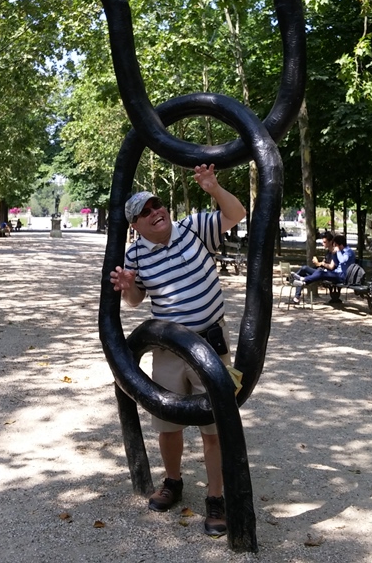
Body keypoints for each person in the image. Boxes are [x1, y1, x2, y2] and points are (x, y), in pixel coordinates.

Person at [109, 163, 246, 538]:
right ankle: (173, 481)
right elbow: (136, 300)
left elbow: (236, 213)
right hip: (169, 349)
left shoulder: (194, 228)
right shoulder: (137, 255)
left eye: (157, 205)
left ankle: (216, 498)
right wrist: (128, 286)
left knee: (214, 426)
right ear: (135, 225)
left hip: (210, 345)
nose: (156, 212)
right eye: (145, 212)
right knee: (168, 422)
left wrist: (214, 188)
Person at [293, 234, 355, 306]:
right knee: (315, 270)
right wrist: (334, 254)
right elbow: (337, 262)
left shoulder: (348, 252)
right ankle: (302, 281)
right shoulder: (340, 251)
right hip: (336, 273)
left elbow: (342, 261)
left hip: (343, 276)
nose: (334, 246)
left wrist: (337, 252)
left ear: (340, 245)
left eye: (335, 245)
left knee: (320, 272)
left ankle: (302, 280)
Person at [290, 231, 335, 305]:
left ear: (330, 242)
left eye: (325, 242)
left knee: (304, 268)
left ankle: (292, 279)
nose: (323, 244)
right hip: (320, 270)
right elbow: (323, 263)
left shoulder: (334, 252)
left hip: (324, 273)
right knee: (301, 275)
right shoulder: (328, 252)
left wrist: (319, 263)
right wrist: (318, 263)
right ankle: (296, 297)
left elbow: (331, 267)